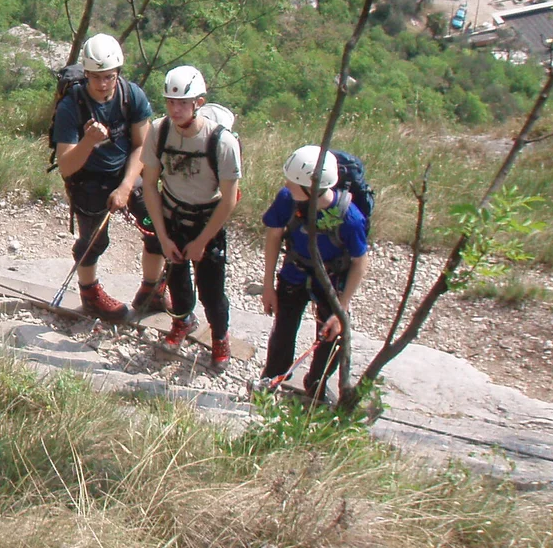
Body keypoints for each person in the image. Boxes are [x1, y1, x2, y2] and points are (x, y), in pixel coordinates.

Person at [51, 33, 159, 322]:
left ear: (117, 74)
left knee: (156, 229)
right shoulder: (70, 107)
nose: (102, 84)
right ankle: (89, 293)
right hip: (88, 179)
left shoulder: (131, 95)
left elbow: (142, 145)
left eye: (108, 77)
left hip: (127, 173)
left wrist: (125, 187)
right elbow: (65, 165)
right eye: (95, 77)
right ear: (85, 74)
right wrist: (88, 141)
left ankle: (152, 290)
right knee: (93, 242)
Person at [141, 65, 241, 369]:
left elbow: (229, 200)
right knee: (177, 280)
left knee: (212, 290)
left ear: (199, 102)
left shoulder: (222, 142)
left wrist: (203, 240)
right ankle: (182, 321)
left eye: (183, 103)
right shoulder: (159, 131)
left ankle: (219, 336)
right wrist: (162, 234)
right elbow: (149, 184)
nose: (176, 109)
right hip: (173, 215)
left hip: (206, 219)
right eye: (171, 102)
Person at [259, 146, 370, 402]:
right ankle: (274, 376)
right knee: (283, 330)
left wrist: (341, 309)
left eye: (293, 181)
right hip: (294, 273)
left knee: (331, 336)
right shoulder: (288, 199)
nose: (286, 184)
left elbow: (360, 263)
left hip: (331, 281)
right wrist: (268, 286)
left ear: (312, 186)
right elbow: (274, 236)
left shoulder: (350, 219)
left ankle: (316, 382)